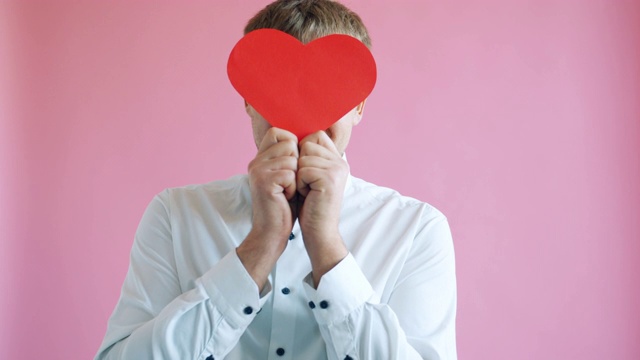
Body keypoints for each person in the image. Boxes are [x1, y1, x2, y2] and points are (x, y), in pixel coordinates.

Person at [95, 0, 457, 359]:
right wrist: (261, 244)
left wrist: (327, 247)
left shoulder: (417, 230)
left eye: (327, 89)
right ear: (248, 102)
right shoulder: (175, 216)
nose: (301, 111)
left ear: (359, 106)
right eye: (276, 89)